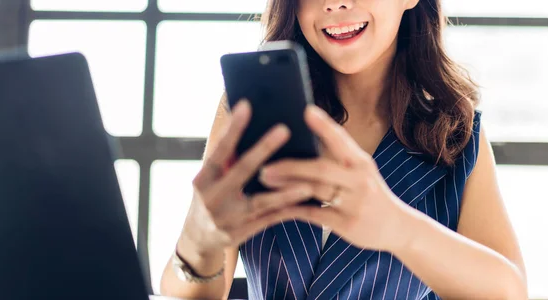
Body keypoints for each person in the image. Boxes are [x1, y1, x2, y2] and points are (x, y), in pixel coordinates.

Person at [160, 0, 528, 299]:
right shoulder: (249, 115)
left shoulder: (456, 136)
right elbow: (191, 295)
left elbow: (510, 292)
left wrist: (400, 228)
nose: (335, 3)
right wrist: (197, 241)